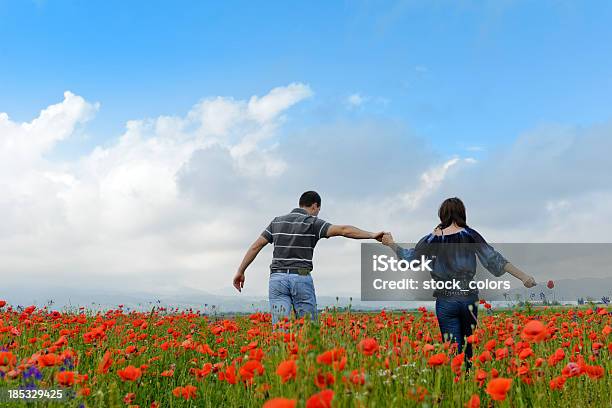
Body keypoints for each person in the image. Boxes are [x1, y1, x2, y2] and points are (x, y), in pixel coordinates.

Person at [381, 197, 536, 367]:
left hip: (446, 300)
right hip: (468, 299)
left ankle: (457, 383)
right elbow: (495, 260)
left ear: (442, 215)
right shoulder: (470, 235)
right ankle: (468, 380)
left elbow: (409, 259)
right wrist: (523, 277)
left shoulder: (431, 239)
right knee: (468, 348)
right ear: (462, 213)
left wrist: (391, 244)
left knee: (454, 350)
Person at [233, 191, 384, 324]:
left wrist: (241, 271)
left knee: (281, 331)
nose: (317, 213)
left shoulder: (277, 222)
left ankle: (284, 356)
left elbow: (256, 246)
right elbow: (344, 230)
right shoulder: (313, 223)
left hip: (277, 279)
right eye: (318, 210)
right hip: (301, 277)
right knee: (309, 330)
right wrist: (371, 235)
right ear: (314, 206)